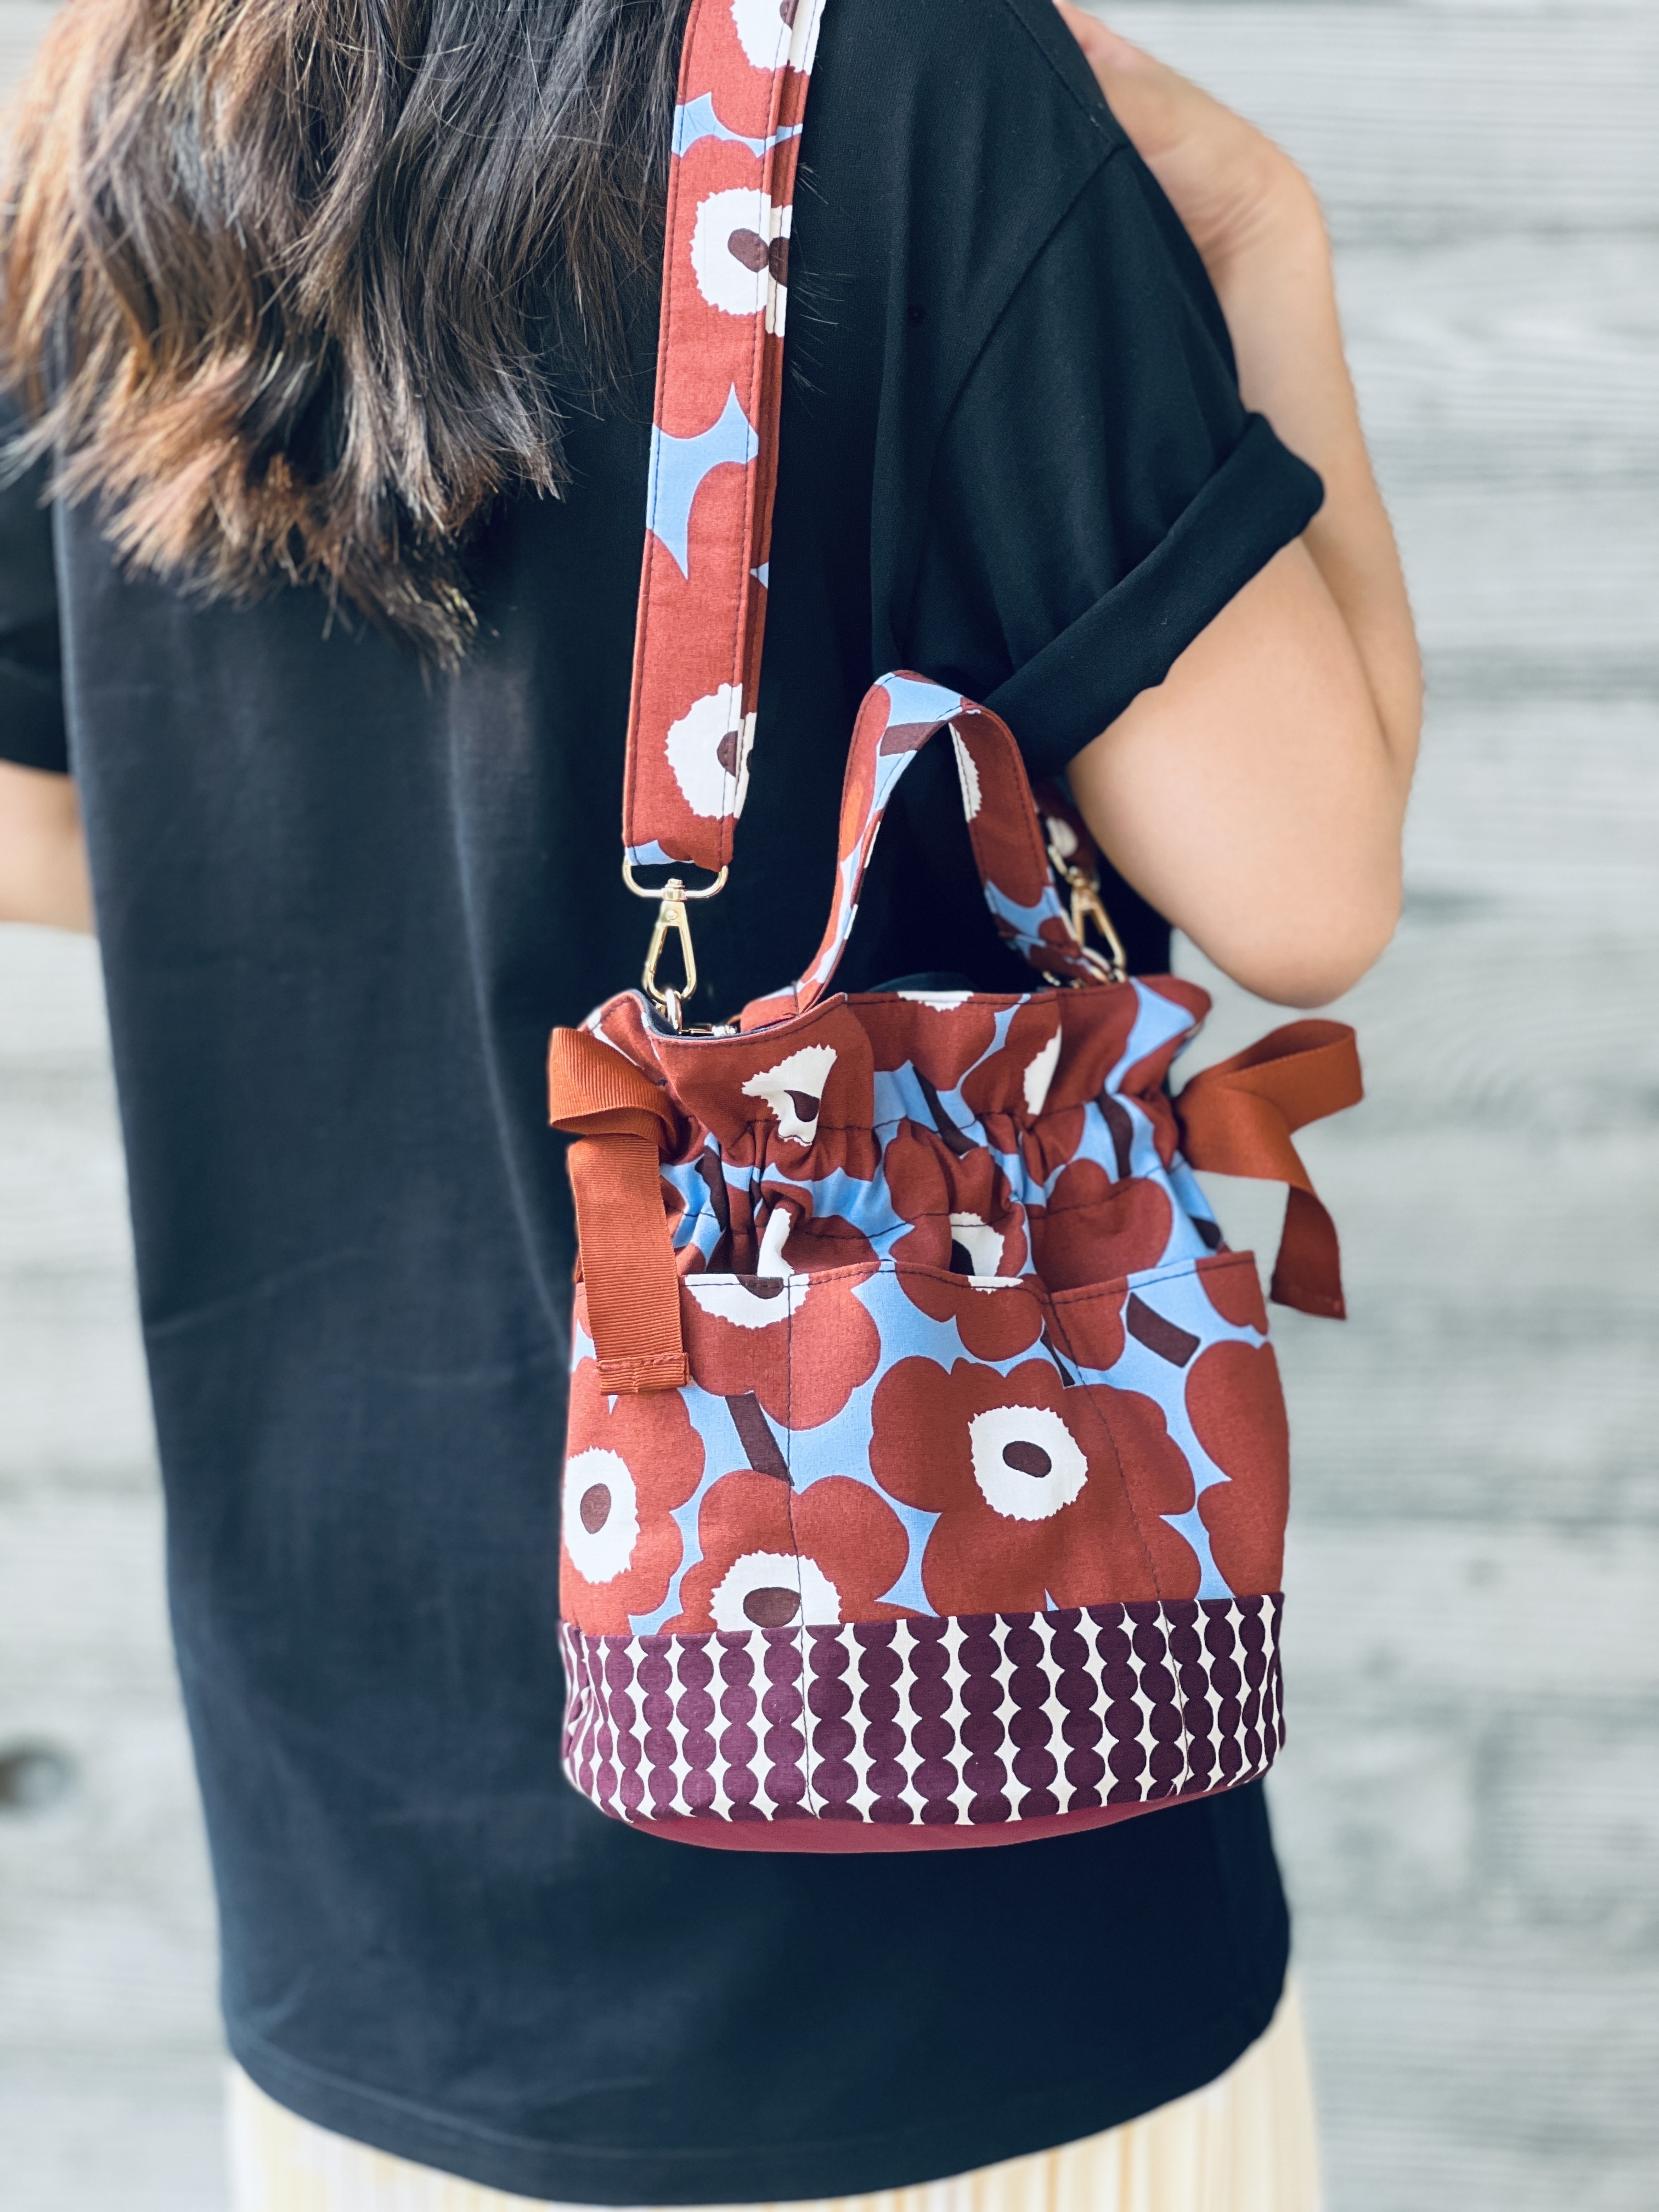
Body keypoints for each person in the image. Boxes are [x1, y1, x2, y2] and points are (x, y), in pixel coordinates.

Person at [0, 0, 1420, 2205]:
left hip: (363, 1936)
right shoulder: (915, 75)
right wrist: (1265, 234)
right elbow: (1310, 892)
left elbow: (40, 815)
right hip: (966, 1962)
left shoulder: (130, 82)